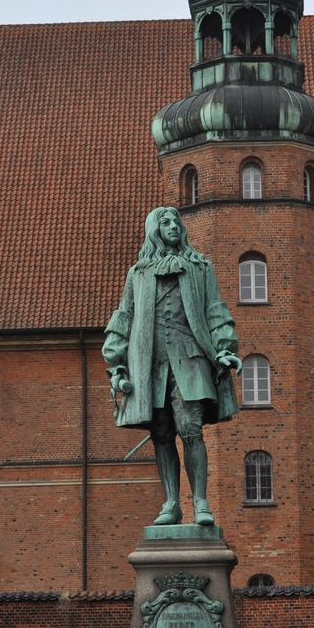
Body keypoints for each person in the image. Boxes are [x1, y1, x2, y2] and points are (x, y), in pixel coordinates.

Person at [102, 207, 242, 526]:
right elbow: (123, 316)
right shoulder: (138, 273)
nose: (173, 226)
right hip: (150, 364)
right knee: (162, 433)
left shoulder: (199, 266)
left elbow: (215, 311)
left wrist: (224, 348)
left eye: (176, 222)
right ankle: (171, 504)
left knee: (189, 428)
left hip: (190, 358)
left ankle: (201, 503)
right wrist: (116, 359)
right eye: (165, 222)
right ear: (155, 230)